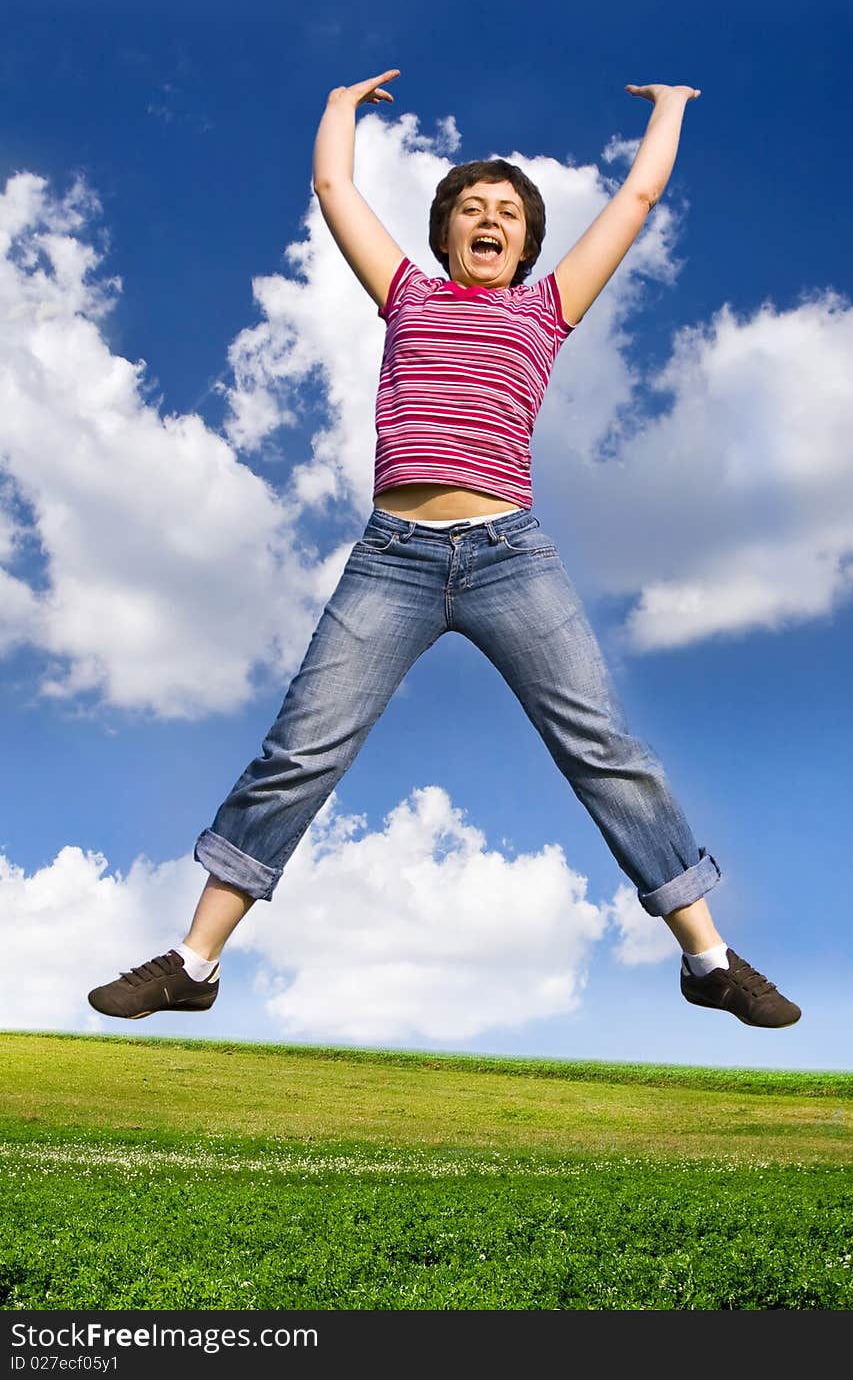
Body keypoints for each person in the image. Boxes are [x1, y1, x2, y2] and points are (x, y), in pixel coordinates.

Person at [88, 71, 800, 1031]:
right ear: (446, 234)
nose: (490, 217)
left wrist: (670, 112)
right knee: (299, 751)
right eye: (472, 207)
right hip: (393, 558)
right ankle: (194, 963)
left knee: (606, 751)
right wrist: (338, 107)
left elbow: (635, 199)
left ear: (528, 243)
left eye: (508, 211)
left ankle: (708, 960)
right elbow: (338, 193)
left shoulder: (545, 311)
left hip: (512, 557)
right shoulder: (407, 294)